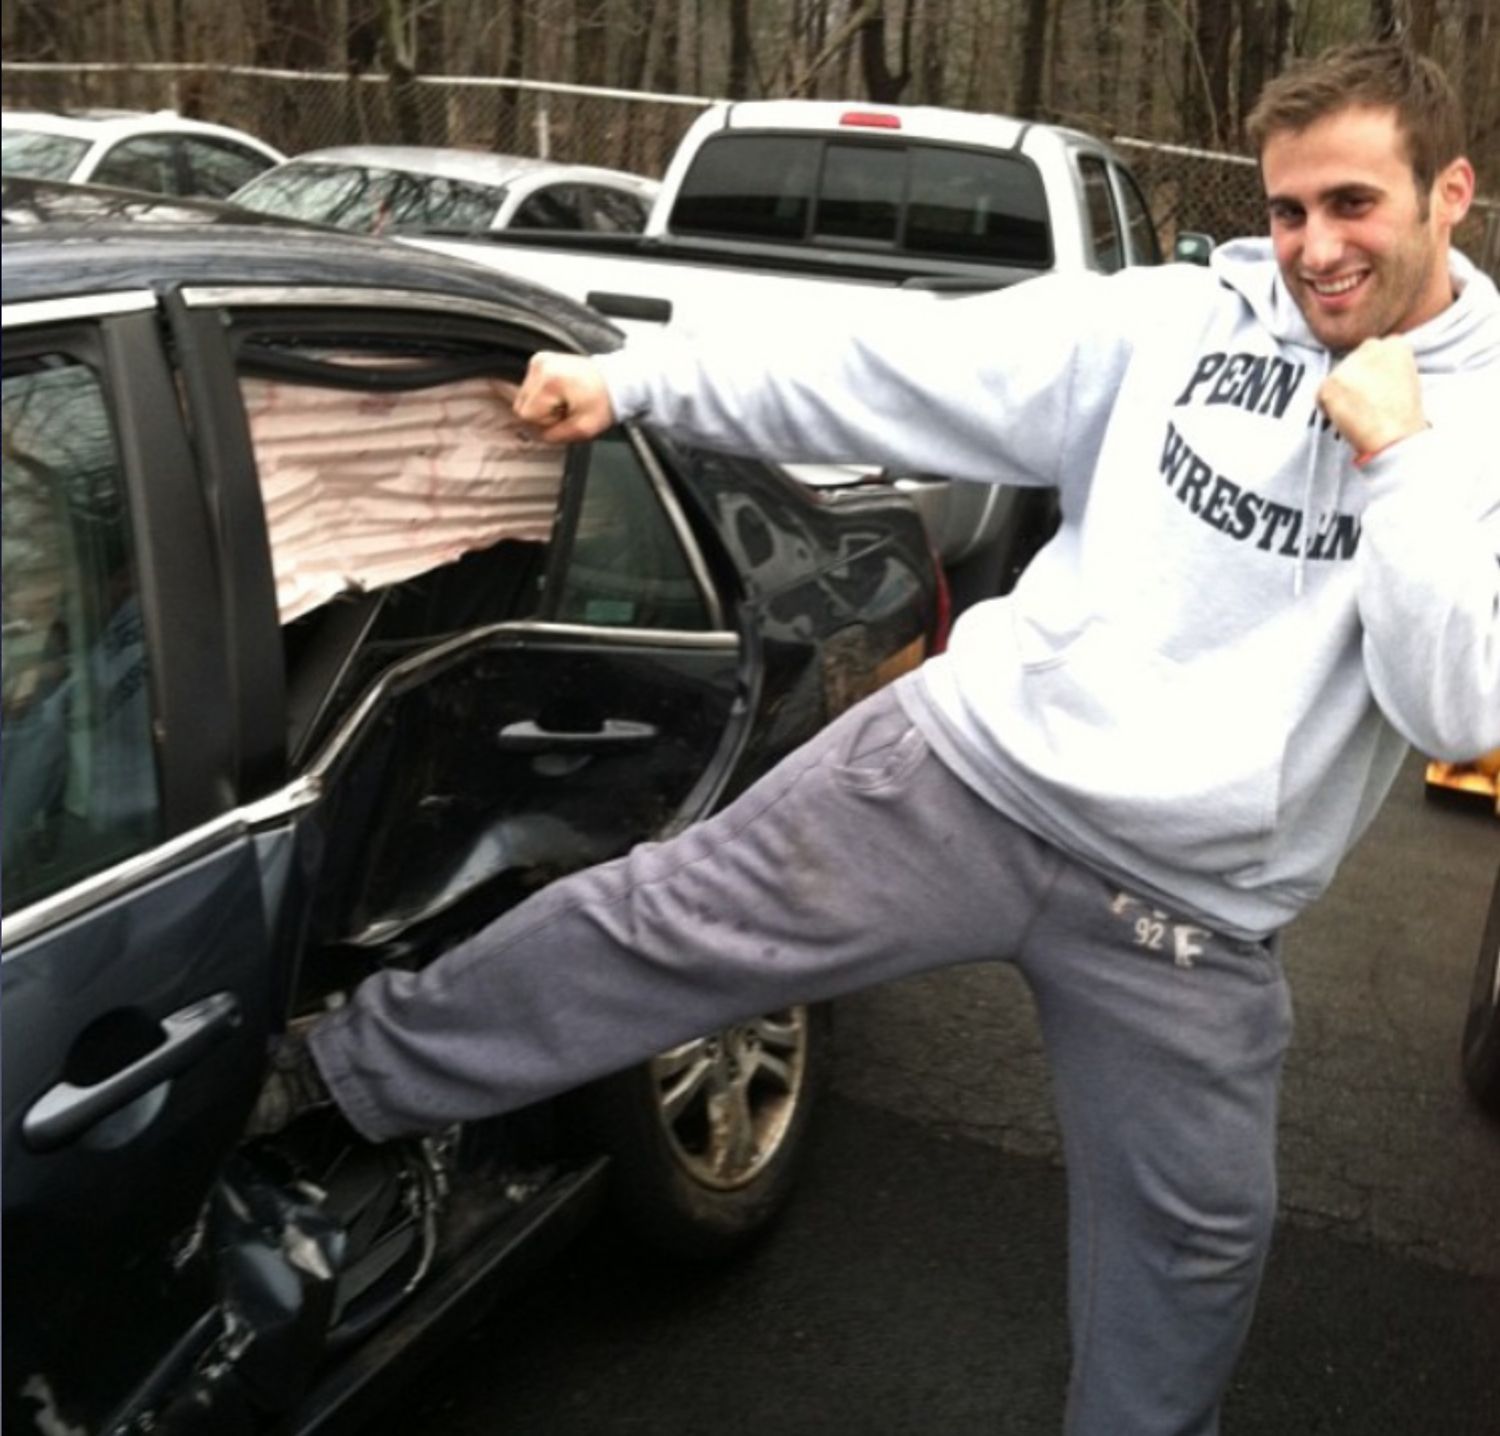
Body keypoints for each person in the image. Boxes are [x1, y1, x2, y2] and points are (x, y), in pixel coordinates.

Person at [255, 41, 1499, 1436]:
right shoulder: (1172, 323)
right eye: (1287, 209)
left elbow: (1458, 709)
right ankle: (332, 1078)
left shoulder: (1484, 426)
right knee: (657, 926)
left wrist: (1402, 462)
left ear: (1447, 191)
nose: (1315, 248)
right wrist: (640, 384)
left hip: (1192, 909)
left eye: (1353, 204)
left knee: (1199, 1241)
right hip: (969, 774)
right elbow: (898, 364)